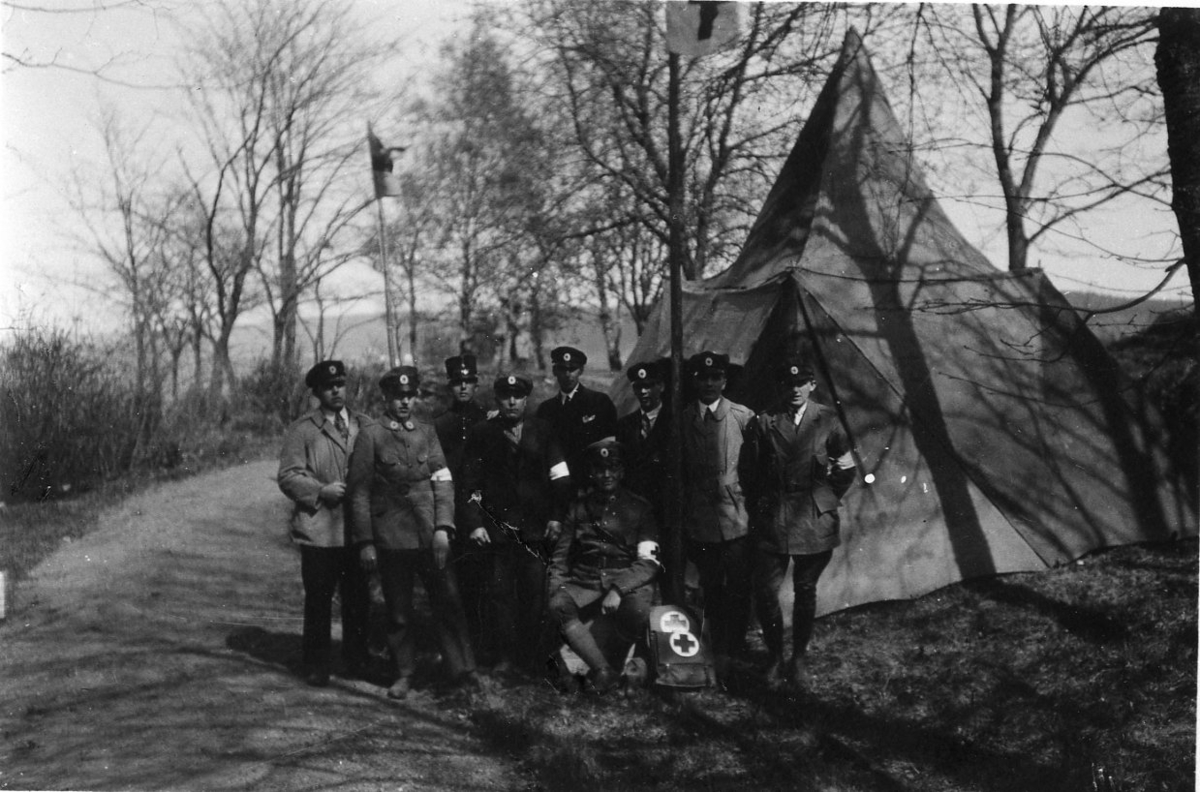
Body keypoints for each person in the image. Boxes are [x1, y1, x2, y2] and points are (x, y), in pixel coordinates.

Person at [346, 365, 478, 700]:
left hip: (430, 534)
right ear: (386, 398)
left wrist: (444, 527)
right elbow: (359, 492)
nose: (404, 402)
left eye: (409, 395)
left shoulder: (426, 433)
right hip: (391, 536)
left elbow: (443, 482)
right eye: (397, 396)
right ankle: (404, 673)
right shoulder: (371, 435)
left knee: (448, 601)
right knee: (398, 611)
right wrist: (365, 542)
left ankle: (462, 671)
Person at [745, 360, 856, 689]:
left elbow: (846, 466)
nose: (795, 389)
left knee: (805, 589)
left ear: (812, 385)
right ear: (781, 387)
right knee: (766, 592)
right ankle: (775, 656)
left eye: (802, 383)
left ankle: (799, 658)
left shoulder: (828, 419)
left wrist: (824, 498)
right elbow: (750, 471)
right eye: (789, 384)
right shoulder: (765, 421)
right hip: (774, 517)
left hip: (813, 518)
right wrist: (762, 506)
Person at [461, 373, 572, 675]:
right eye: (505, 396)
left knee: (534, 595)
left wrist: (556, 516)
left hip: (534, 530)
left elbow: (561, 478)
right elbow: (469, 483)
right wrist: (474, 523)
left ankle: (530, 658)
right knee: (500, 595)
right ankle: (505, 656)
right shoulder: (482, 433)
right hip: (497, 530)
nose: (512, 402)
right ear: (497, 399)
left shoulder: (544, 431)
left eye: (518, 396)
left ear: (526, 399)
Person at [277, 360, 372, 687]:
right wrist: (320, 491)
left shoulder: (364, 425)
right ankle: (316, 663)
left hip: (357, 529)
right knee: (319, 599)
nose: (336, 391)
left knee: (358, 599)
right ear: (317, 392)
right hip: (318, 530)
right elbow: (288, 476)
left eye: (341, 385)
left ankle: (357, 660)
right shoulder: (302, 429)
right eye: (329, 387)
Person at [547, 439, 660, 695]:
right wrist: (556, 589)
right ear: (591, 473)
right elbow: (560, 557)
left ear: (622, 471)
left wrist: (618, 589)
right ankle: (603, 670)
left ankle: (613, 663)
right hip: (585, 580)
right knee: (558, 606)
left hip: (627, 578)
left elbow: (649, 562)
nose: (606, 475)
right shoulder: (579, 507)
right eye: (599, 469)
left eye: (613, 468)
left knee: (638, 609)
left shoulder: (640, 508)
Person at [680, 351, 756, 681]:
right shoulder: (683, 418)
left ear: (724, 381)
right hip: (699, 515)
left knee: (738, 583)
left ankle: (735, 649)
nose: (709, 384)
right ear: (694, 381)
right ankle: (715, 647)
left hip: (735, 513)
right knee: (709, 584)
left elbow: (755, 465)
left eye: (716, 378)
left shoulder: (742, 416)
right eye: (703, 378)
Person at [432, 354, 490, 656]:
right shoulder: (440, 425)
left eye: (468, 381)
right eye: (458, 382)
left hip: (485, 514)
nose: (463, 387)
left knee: (486, 583)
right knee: (455, 584)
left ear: (476, 384)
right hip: (452, 511)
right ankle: (459, 648)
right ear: (450, 385)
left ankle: (484, 646)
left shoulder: (489, 420)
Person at [535, 346, 617, 481]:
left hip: (591, 479)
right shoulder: (546, 409)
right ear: (555, 371)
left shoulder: (599, 402)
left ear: (581, 371)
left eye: (572, 369)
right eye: (562, 369)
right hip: (558, 481)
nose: (567, 375)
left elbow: (610, 443)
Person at [614, 359, 670, 521]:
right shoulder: (625, 425)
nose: (643, 391)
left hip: (667, 506)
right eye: (638, 387)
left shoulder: (676, 421)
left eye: (649, 386)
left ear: (661, 386)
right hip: (636, 507)